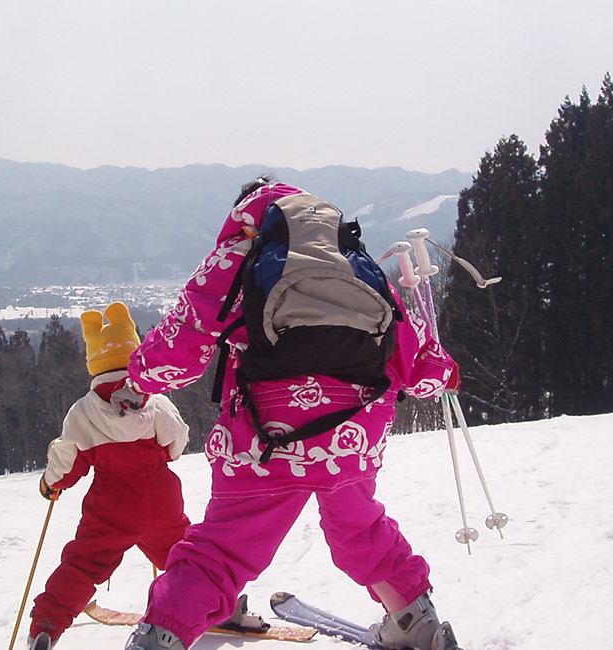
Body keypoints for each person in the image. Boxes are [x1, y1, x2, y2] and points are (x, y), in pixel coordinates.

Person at [119, 179, 462, 650]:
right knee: (360, 527)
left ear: (246, 211)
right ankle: (416, 621)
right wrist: (444, 376)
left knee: (223, 549)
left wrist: (137, 383)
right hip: (354, 436)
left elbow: (181, 345)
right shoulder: (353, 261)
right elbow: (411, 352)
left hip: (268, 437)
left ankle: (160, 639)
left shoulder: (240, 255)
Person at [28, 302, 258, 650]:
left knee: (83, 564)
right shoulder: (155, 400)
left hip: (112, 506)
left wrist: (52, 484)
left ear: (94, 362)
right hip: (161, 497)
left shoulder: (84, 411)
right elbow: (176, 441)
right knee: (184, 556)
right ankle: (219, 608)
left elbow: (67, 459)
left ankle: (47, 623)